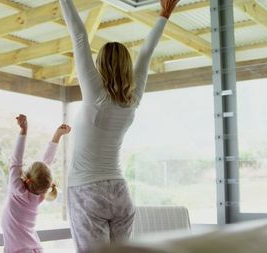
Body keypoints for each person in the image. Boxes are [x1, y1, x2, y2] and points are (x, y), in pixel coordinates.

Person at [59, 0, 181, 252]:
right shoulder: (132, 100)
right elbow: (145, 54)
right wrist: (164, 14)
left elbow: (79, 36)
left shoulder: (96, 95)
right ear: (127, 65)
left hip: (87, 192)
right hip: (119, 192)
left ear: (100, 65)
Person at [1, 114, 71, 253]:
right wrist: (58, 135)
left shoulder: (18, 189)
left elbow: (16, 160)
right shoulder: (39, 196)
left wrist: (24, 130)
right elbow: (46, 162)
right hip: (32, 247)